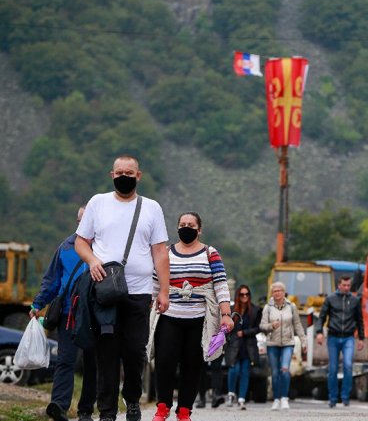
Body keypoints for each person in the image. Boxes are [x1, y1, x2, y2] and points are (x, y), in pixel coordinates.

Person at [75, 155, 171, 421]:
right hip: (105, 292)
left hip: (139, 293)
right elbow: (81, 242)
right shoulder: (98, 203)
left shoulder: (151, 208)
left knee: (134, 351)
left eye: (129, 172)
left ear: (138, 175)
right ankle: (107, 410)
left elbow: (160, 251)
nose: (124, 176)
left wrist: (164, 290)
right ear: (112, 175)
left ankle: (132, 399)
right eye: (120, 172)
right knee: (106, 352)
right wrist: (93, 259)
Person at [149, 212, 233, 421]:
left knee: (192, 365)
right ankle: (162, 407)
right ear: (177, 228)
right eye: (182, 224)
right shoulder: (166, 253)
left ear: (199, 229)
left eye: (191, 224)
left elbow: (221, 284)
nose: (186, 227)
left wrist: (226, 314)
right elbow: (154, 284)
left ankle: (185, 410)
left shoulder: (210, 253)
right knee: (164, 363)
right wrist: (146, 309)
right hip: (169, 316)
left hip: (199, 319)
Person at [31, 206, 97, 421]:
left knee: (92, 364)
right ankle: (59, 407)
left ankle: (86, 410)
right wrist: (37, 304)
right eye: (82, 220)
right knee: (65, 361)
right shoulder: (66, 247)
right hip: (68, 313)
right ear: (78, 221)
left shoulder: (106, 247)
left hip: (95, 315)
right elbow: (52, 281)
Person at [315, 275, 365, 408]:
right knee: (333, 368)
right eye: (344, 285)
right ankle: (332, 398)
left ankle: (345, 397)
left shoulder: (354, 300)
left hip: (348, 337)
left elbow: (359, 320)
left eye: (349, 285)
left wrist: (361, 338)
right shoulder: (331, 299)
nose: (347, 288)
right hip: (333, 336)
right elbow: (321, 317)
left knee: (348, 365)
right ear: (339, 285)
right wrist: (319, 332)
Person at [260, 281, 306, 410]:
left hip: (288, 343)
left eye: (280, 290)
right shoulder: (268, 308)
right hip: (272, 343)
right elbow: (262, 326)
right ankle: (276, 399)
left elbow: (297, 324)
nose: (277, 293)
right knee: (275, 372)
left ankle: (285, 398)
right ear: (272, 293)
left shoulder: (291, 306)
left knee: (285, 369)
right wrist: (271, 326)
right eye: (275, 291)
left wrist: (303, 341)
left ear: (284, 292)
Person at [224, 285, 262, 410]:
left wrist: (245, 333)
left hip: (248, 345)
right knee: (234, 370)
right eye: (242, 294)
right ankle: (230, 394)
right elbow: (225, 327)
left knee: (245, 372)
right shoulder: (231, 309)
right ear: (238, 296)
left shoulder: (255, 310)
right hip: (234, 345)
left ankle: (242, 398)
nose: (244, 297)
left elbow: (258, 328)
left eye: (247, 294)